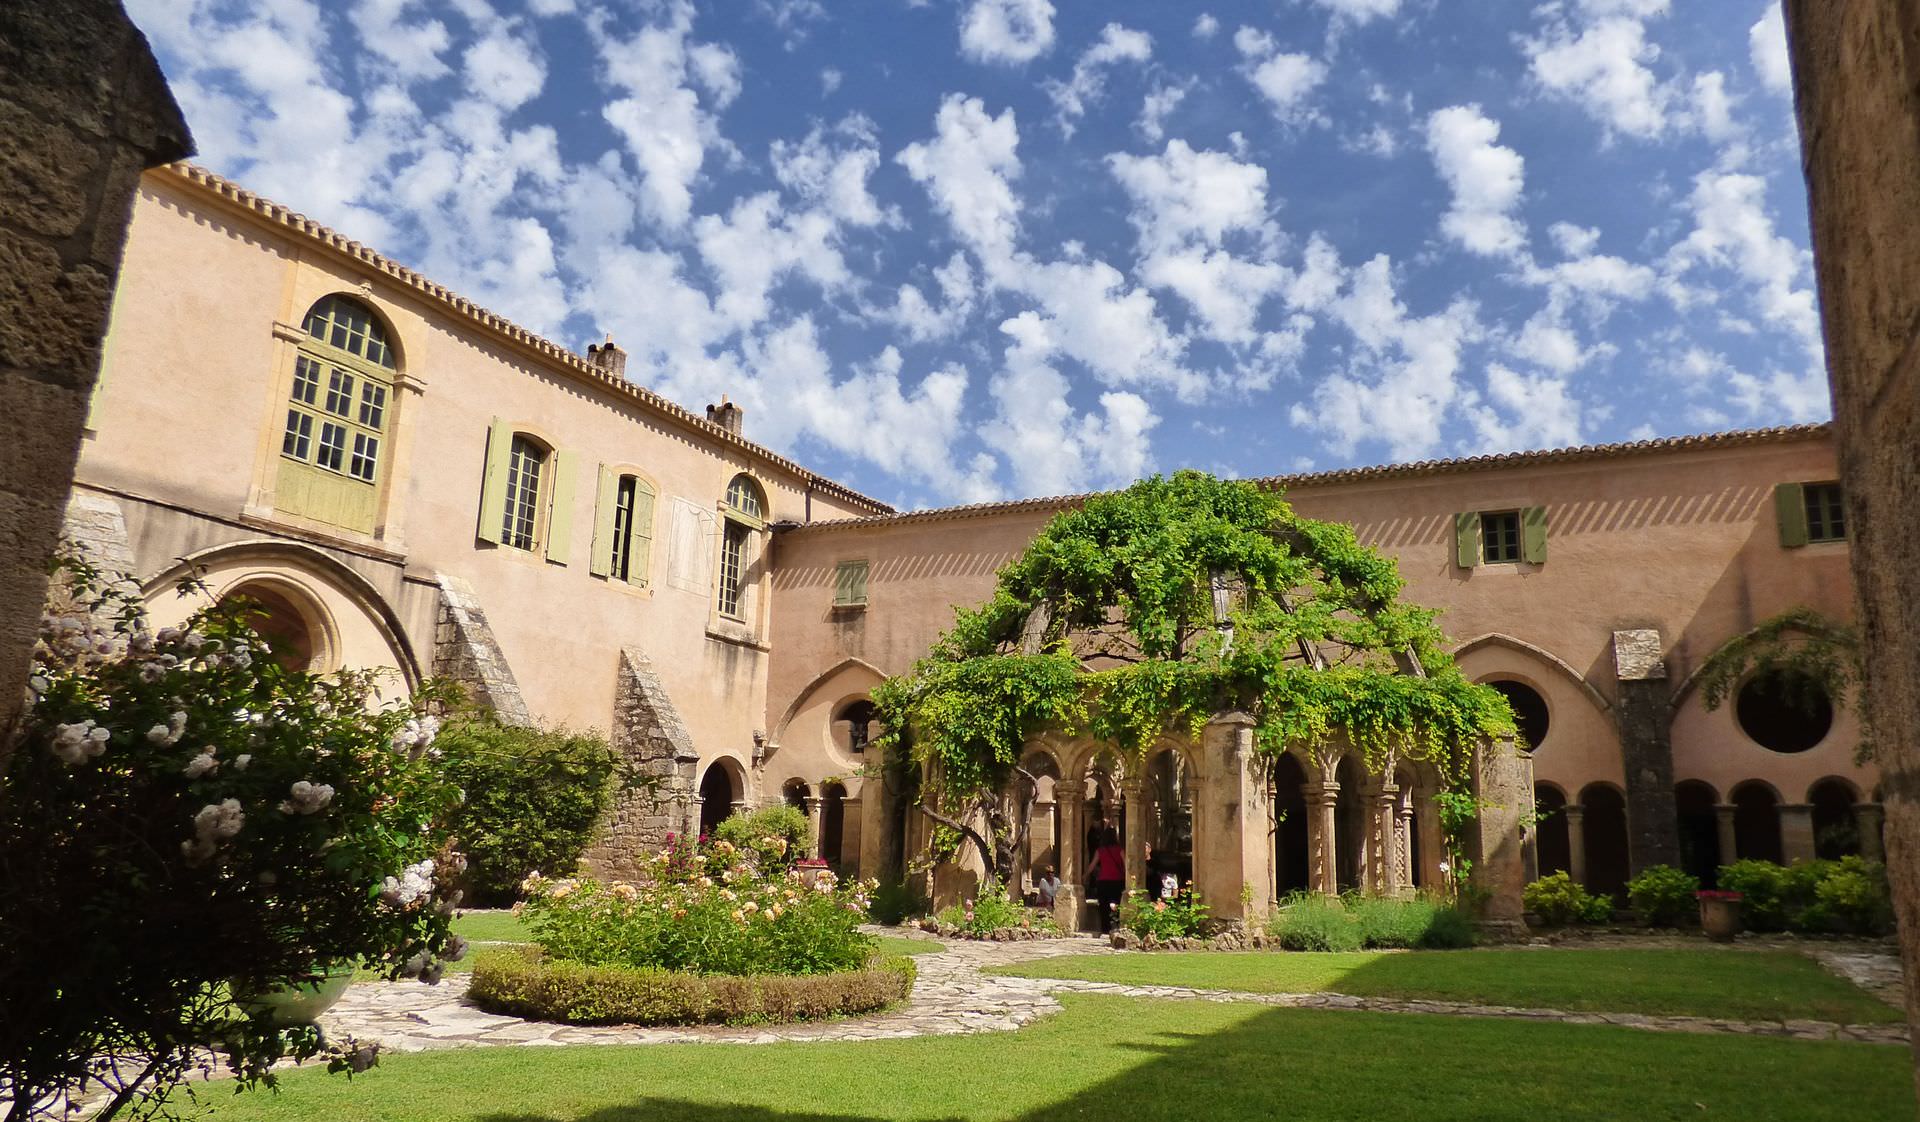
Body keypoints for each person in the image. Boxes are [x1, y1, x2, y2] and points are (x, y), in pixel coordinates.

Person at [1088, 827, 1126, 933]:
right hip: (1118, 881)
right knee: (1118, 905)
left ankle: (1105, 929)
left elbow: (1092, 865)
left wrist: (1085, 875)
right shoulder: (1120, 850)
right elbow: (1126, 864)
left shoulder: (1100, 850)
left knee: (1103, 907)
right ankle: (1118, 927)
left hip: (1103, 881)